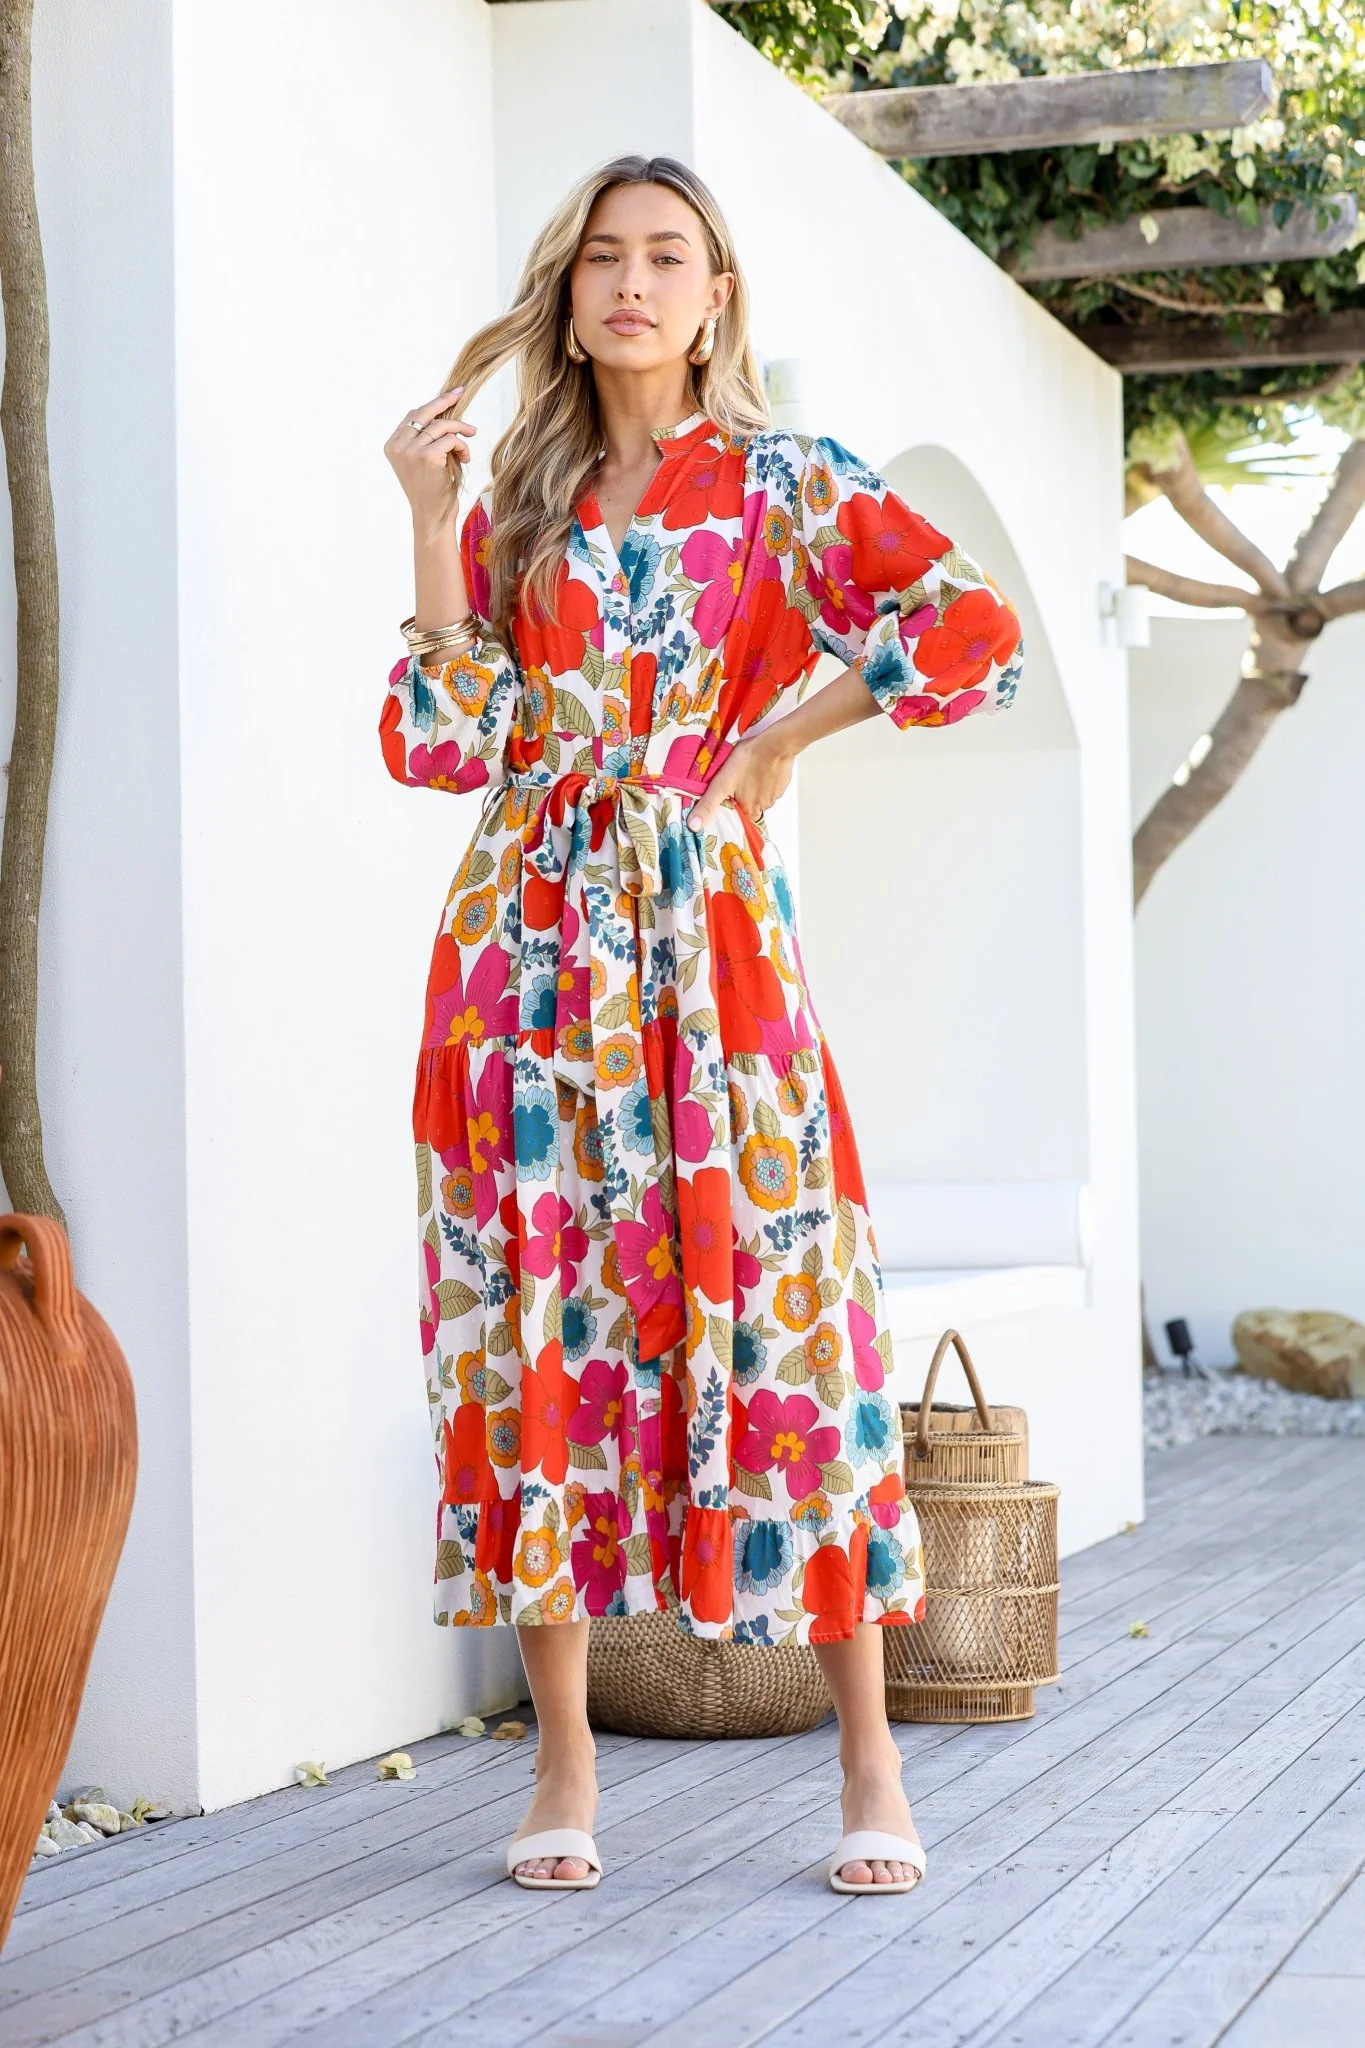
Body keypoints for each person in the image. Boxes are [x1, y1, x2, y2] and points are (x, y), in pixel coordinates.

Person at [381, 153, 1022, 1897]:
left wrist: (788, 734)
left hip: (711, 948)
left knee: (789, 1304)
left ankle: (871, 1762)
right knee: (540, 1320)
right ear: (569, 289)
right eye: (605, 256)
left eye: (669, 257)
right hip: (525, 963)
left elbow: (970, 630)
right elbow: (445, 744)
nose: (634, 283)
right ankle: (564, 1759)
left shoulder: (785, 482)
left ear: (715, 292)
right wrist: (429, 520)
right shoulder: (521, 505)